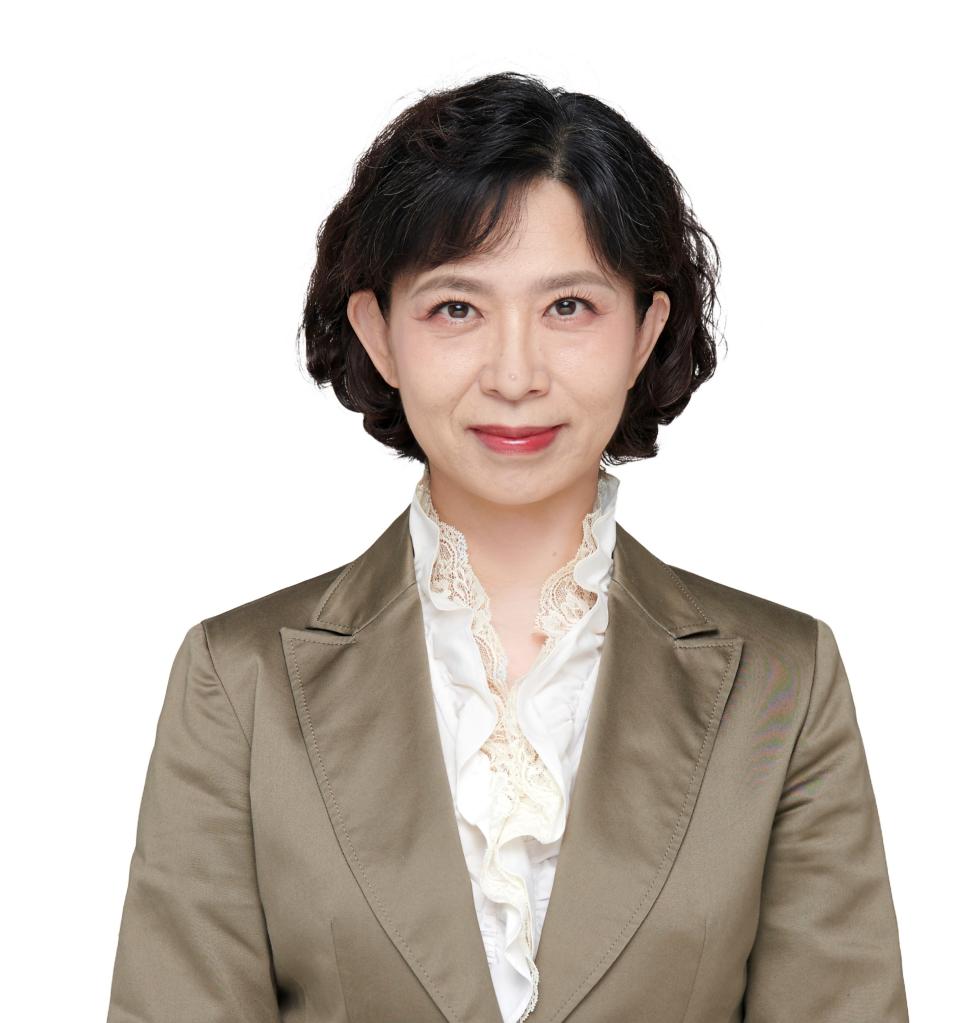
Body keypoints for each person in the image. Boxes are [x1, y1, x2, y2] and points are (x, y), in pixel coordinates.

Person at [106, 70, 909, 1023]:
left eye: (569, 307)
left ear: (644, 331)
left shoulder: (785, 679)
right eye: (457, 308)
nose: (516, 374)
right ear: (380, 333)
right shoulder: (238, 683)